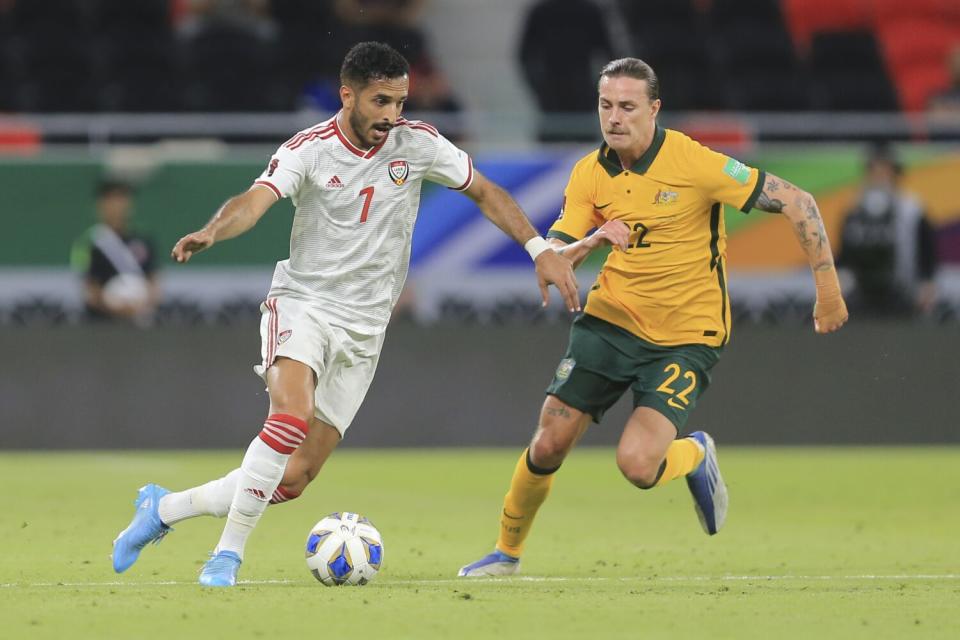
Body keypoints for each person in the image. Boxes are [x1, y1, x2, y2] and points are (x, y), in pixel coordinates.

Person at [110, 41, 579, 587]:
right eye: (381, 101)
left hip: (365, 328)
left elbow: (485, 191)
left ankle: (162, 511)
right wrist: (215, 228)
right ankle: (227, 556)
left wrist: (539, 249)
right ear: (348, 95)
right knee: (289, 417)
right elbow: (255, 200)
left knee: (294, 477)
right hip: (304, 304)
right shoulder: (307, 150)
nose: (391, 115)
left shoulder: (418, 144)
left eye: (400, 101)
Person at [458, 57, 848, 577]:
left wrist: (827, 289)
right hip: (611, 321)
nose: (614, 118)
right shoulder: (589, 173)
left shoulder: (694, 162)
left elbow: (798, 202)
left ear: (654, 109)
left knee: (638, 467)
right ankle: (506, 554)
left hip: (688, 335)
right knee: (548, 442)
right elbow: (556, 254)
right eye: (605, 106)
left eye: (627, 107)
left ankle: (694, 456)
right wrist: (593, 238)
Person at [837, 146, 939, 318]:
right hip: (861, 290)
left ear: (895, 174)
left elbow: (928, 250)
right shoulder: (854, 209)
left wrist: (927, 282)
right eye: (875, 172)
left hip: (903, 288)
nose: (880, 177)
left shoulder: (913, 209)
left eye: (885, 171)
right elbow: (844, 252)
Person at [69, 179, 160, 323]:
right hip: (100, 323)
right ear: (100, 205)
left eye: (121, 198)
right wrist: (114, 307)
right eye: (110, 199)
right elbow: (87, 286)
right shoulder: (87, 243)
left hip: (139, 322)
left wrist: (141, 305)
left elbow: (154, 281)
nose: (116, 205)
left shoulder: (143, 241)